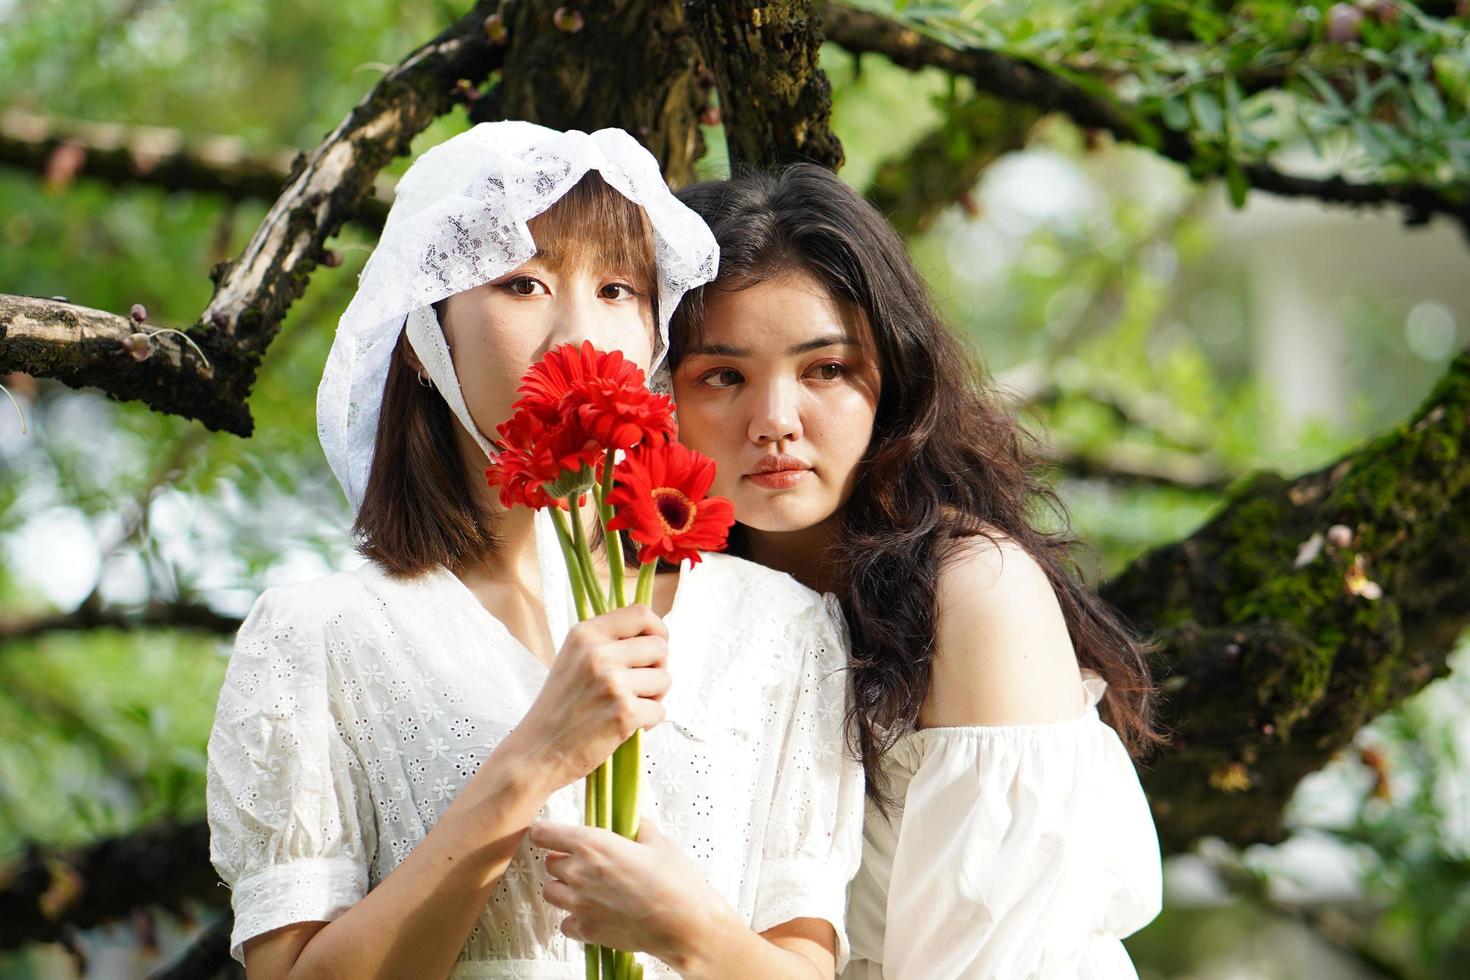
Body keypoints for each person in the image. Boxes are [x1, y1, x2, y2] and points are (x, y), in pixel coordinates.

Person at [205, 124, 863, 980]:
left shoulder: (780, 628)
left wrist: (691, 933)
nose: (577, 337)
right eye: (522, 283)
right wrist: (532, 760)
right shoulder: (318, 636)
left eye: (619, 289)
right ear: (424, 336)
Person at [660, 164, 1165, 979]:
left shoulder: (973, 593)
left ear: (891, 378)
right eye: (724, 377)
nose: (775, 423)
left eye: (825, 370)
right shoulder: (661, 586)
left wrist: (689, 934)